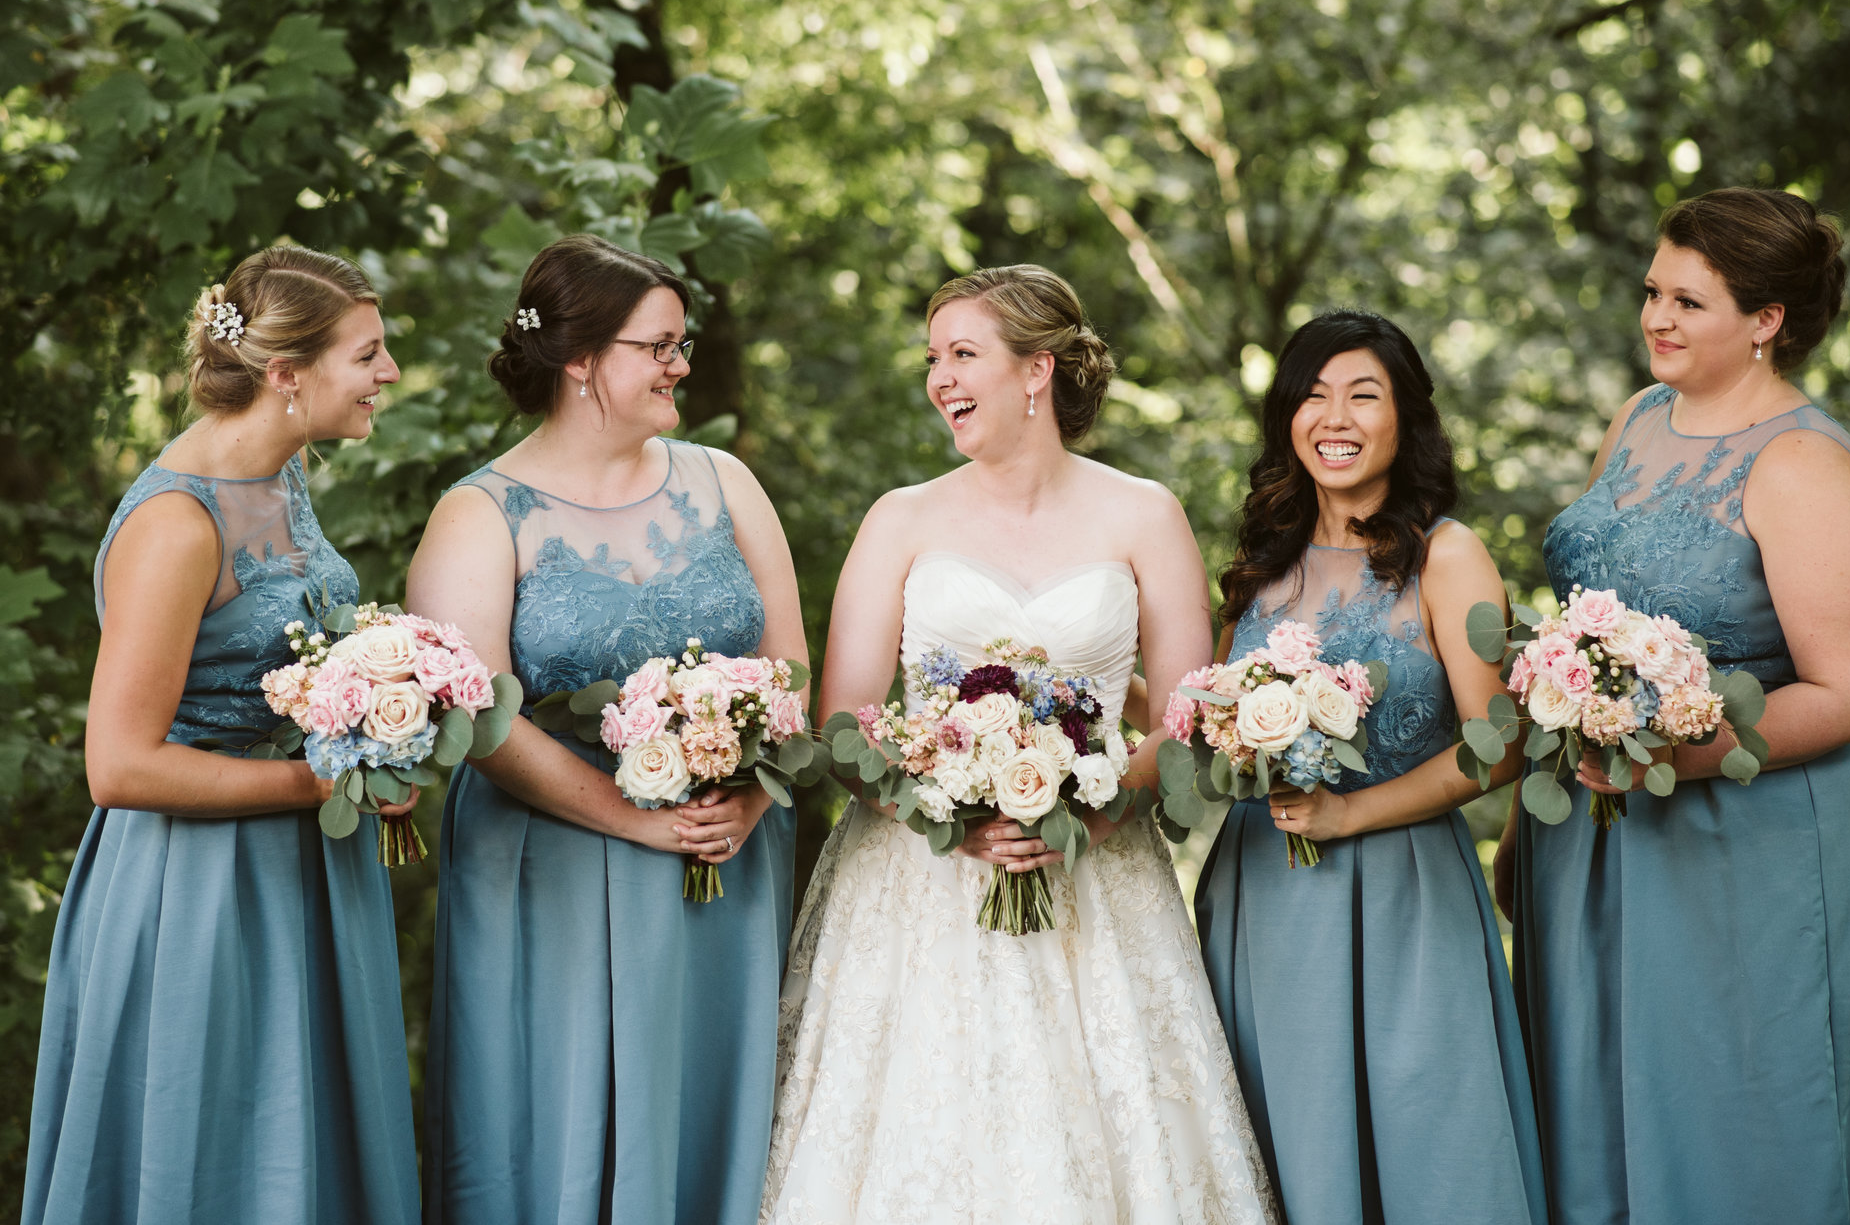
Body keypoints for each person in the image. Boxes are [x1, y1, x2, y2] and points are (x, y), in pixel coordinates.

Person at [761, 265, 1275, 1224]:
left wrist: (1085, 797)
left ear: (1037, 371)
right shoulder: (902, 517)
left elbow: (1185, 716)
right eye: (932, 359)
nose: (939, 379)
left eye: (963, 354)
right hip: (919, 887)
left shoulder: (1144, 514)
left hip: (1099, 876)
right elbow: (846, 725)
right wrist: (952, 810)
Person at [1501, 187, 1850, 1224]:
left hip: (1747, 834)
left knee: (1742, 1103)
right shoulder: (1636, 418)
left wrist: (1665, 751)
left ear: (1764, 320)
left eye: (1687, 301)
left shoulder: (1800, 464)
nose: (1654, 316)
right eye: (1652, 291)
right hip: (1607, 827)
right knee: (1612, 1090)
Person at [410, 234, 805, 1225]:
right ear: (581, 358)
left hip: (728, 853)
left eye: (681, 343)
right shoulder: (478, 513)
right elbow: (482, 720)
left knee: (715, 1106)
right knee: (562, 1121)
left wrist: (750, 796)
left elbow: (794, 670)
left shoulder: (723, 481)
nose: (681, 363)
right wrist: (636, 821)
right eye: (658, 345)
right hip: (554, 864)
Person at [24, 246, 418, 1225]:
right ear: (287, 376)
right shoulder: (177, 524)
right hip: (195, 894)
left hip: (300, 877)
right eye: (367, 353)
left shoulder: (281, 481)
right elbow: (117, 764)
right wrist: (329, 783)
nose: (389, 373)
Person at [1196, 309, 1547, 1225]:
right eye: (1312, 395)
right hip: (1262, 892)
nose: (1334, 417)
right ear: (1286, 418)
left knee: (1429, 1142)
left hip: (1403, 897)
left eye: (1363, 394)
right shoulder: (1259, 567)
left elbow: (1497, 743)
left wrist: (1353, 814)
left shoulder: (1448, 555)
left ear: (1407, 418)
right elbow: (1201, 718)